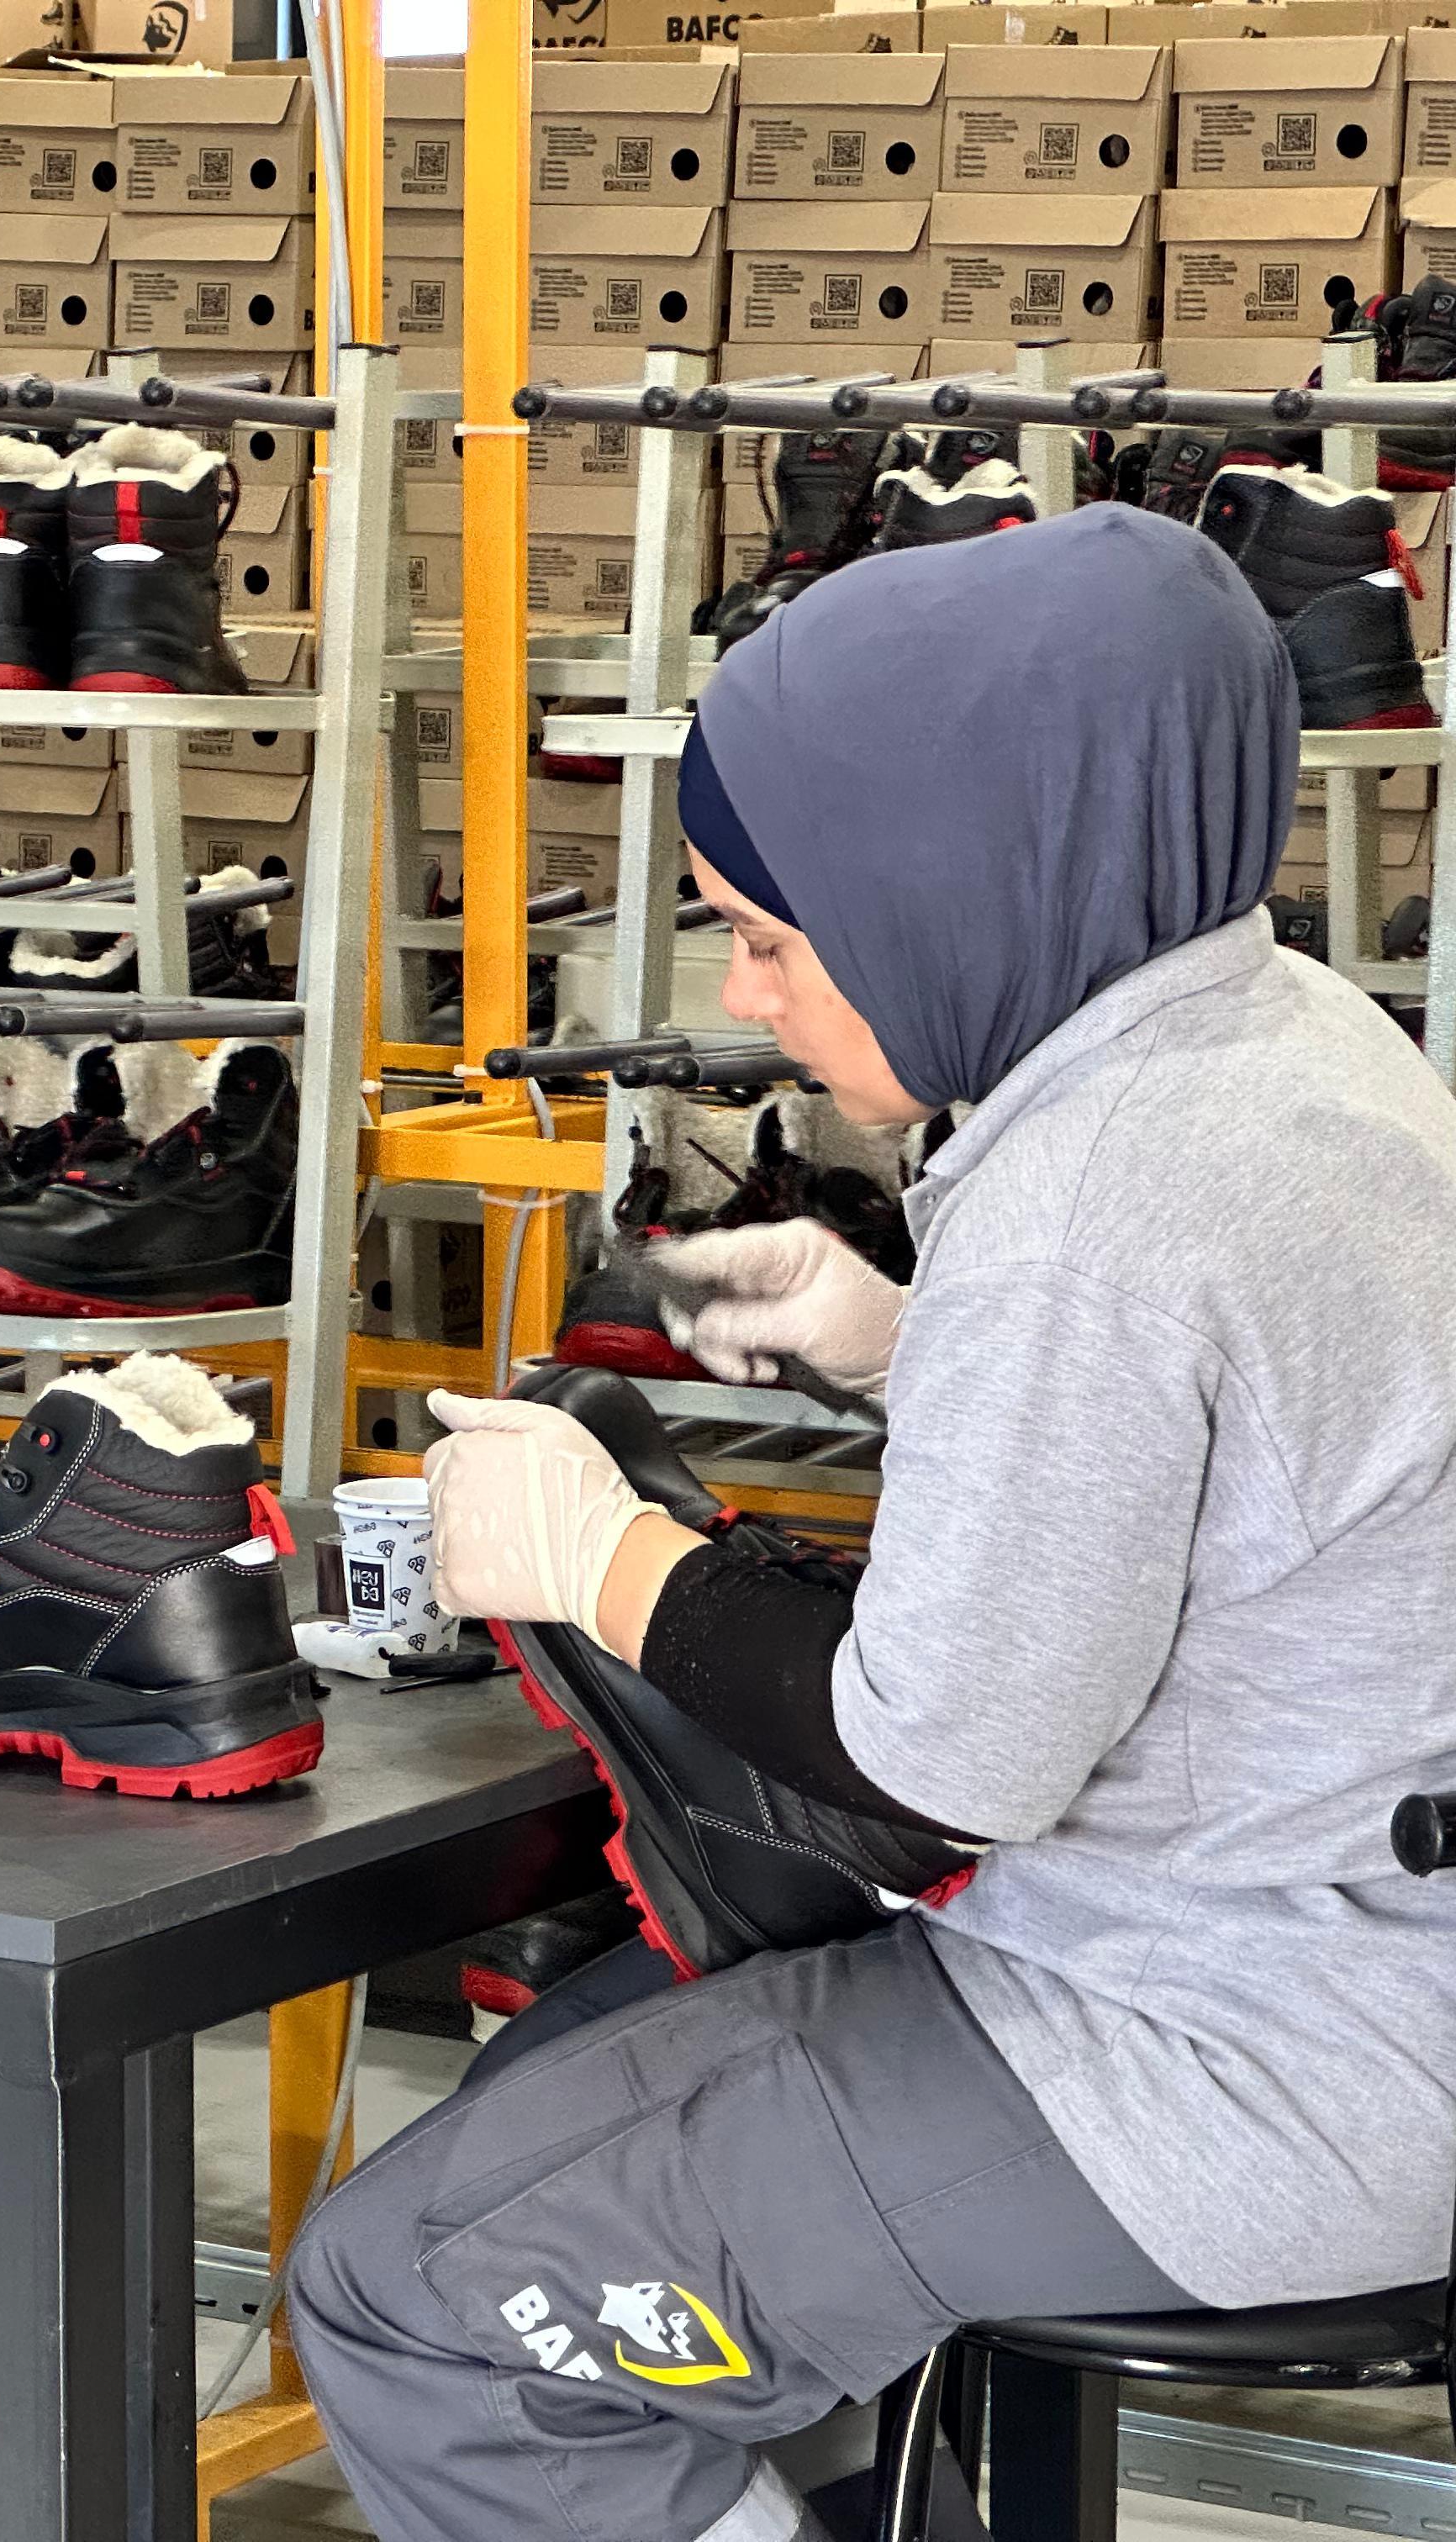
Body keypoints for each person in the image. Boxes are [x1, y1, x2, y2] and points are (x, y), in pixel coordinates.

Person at [285, 504, 1456, 2542]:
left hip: (1230, 2055)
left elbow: (950, 1756)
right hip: (1356, 1973)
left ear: (951, 886)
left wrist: (600, 1562)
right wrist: (917, 1343)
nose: (754, 1003)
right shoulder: (1284, 1034)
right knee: (550, 2117)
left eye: (772, 941)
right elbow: (1253, 1451)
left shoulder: (1097, 1193)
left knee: (428, 2300)